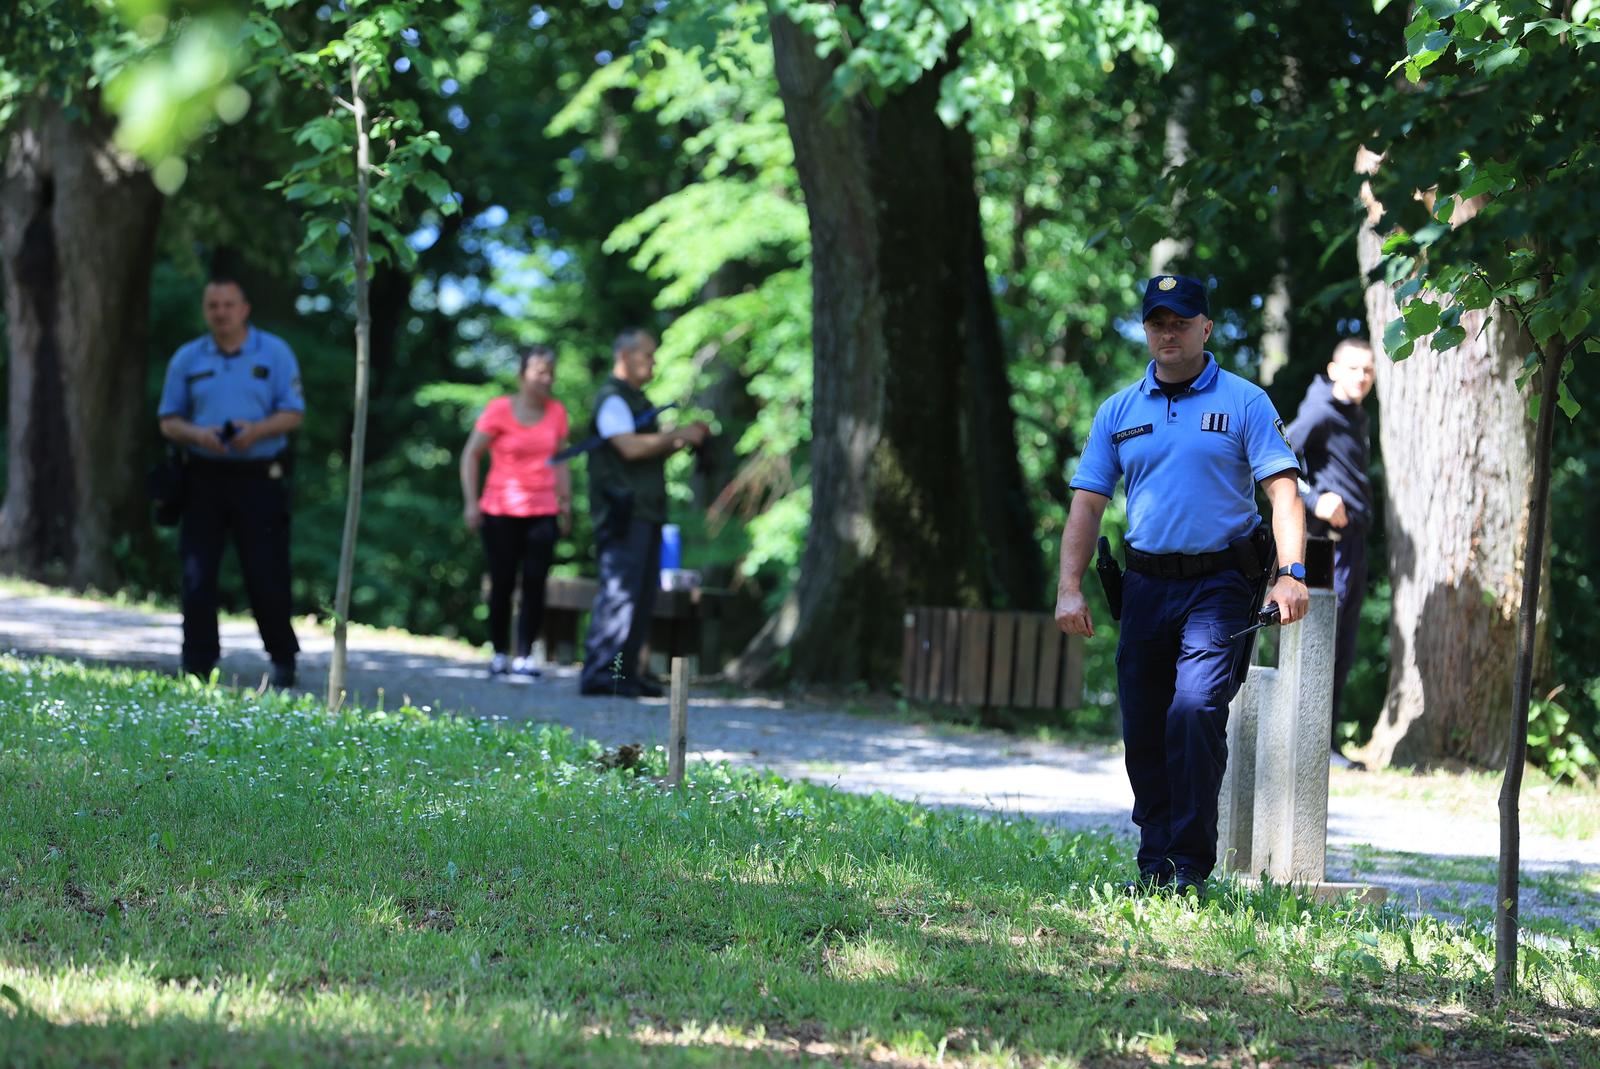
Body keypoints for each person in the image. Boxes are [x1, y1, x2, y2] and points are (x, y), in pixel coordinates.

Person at [1054, 273, 1308, 900]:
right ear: (1147, 330)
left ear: (1205, 327)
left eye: (1180, 320)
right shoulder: (1119, 410)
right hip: (1144, 586)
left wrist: (1291, 573)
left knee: (1195, 710)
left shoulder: (1246, 401)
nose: (1168, 332)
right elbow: (1087, 504)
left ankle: (1189, 866)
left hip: (1222, 584)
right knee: (1143, 723)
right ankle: (1155, 861)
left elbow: (1282, 493)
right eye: (1157, 322)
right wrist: (1069, 587)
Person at [157, 277, 304, 687]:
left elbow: (293, 413)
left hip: (259, 477)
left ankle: (283, 659)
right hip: (202, 476)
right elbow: (168, 420)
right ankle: (198, 663)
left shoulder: (274, 353)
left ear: (244, 309)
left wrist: (255, 431)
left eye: (228, 304)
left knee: (267, 572)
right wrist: (199, 435)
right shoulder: (187, 359)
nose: (220, 312)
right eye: (212, 305)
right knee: (197, 572)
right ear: (206, 311)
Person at [578, 329, 709, 698]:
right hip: (622, 513)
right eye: (648, 355)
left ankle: (627, 674)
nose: (654, 362)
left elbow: (646, 450)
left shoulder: (636, 400)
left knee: (641, 594)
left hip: (645, 511)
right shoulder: (612, 399)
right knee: (620, 593)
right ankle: (602, 673)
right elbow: (628, 447)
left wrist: (682, 440)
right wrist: (675, 435)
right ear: (625, 355)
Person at [1285, 338, 1377, 767]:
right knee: (1325, 640)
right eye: (1354, 369)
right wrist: (1315, 497)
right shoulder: (1320, 411)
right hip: (1329, 547)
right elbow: (1277, 461)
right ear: (1334, 369)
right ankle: (1309, 745)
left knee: (1344, 644)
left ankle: (1325, 743)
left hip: (1355, 545)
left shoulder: (1355, 415)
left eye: (1369, 371)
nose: (1362, 377)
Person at [459, 345, 572, 678]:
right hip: (499, 509)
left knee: (536, 582)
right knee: (502, 581)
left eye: (551, 372)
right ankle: (498, 652)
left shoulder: (557, 412)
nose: (546, 378)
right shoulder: (498, 410)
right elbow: (470, 455)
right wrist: (471, 502)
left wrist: (565, 504)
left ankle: (524, 655)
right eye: (539, 371)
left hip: (543, 509)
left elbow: (561, 460)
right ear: (522, 375)